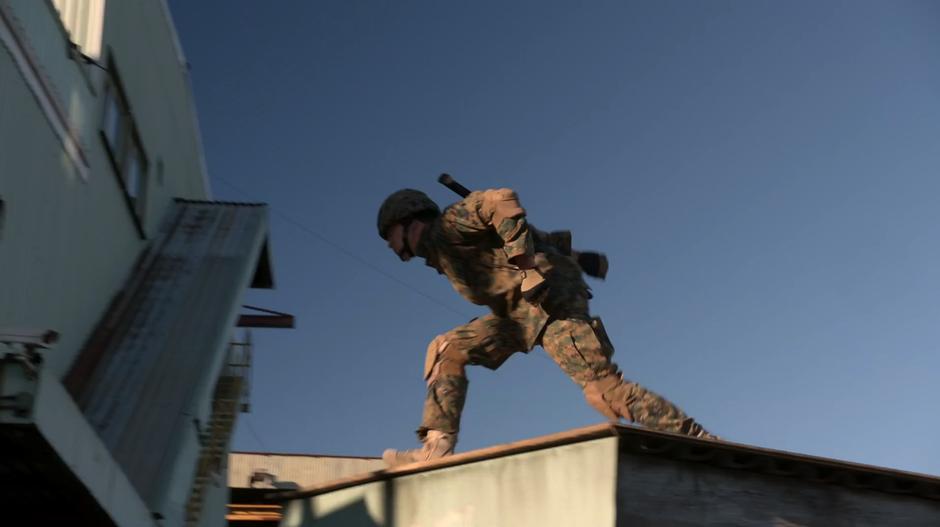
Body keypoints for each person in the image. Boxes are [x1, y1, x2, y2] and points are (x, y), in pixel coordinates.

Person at [377, 187, 716, 467]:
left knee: (604, 391)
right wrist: (579, 256)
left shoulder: (448, 225)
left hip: (550, 302)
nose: (389, 245)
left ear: (406, 221)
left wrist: (528, 269)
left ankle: (699, 441)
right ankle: (437, 445)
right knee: (447, 348)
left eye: (388, 235)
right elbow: (539, 237)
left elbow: (500, 200)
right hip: (516, 317)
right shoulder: (441, 253)